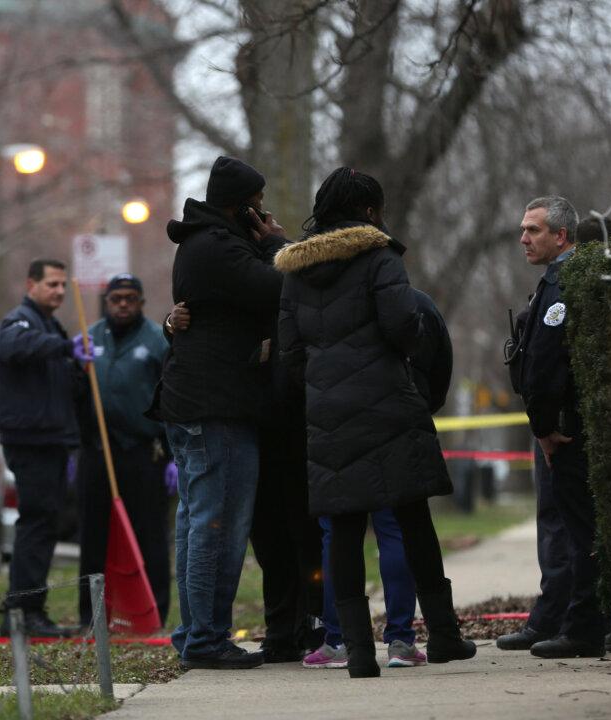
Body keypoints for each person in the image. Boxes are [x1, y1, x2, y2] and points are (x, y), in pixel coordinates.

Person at [275, 167, 475, 678]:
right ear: (368, 211)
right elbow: (402, 325)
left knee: (342, 532)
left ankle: (359, 652)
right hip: (388, 406)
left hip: (329, 419)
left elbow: (290, 354)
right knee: (413, 523)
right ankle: (444, 636)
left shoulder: (296, 273)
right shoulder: (381, 257)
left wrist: (324, 386)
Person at [158, 155, 287, 670]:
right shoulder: (218, 246)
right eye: (258, 206)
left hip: (200, 400)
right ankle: (207, 637)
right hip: (216, 406)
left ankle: (195, 631)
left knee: (196, 520)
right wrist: (275, 242)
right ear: (245, 208)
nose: (265, 213)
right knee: (218, 523)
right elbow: (278, 288)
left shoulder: (205, 242)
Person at [306, 288, 453, 671]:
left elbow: (292, 360)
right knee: (397, 529)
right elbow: (440, 364)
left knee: (339, 533)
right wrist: (420, 404)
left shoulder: (321, 302)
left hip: (337, 430)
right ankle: (401, 639)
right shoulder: (413, 302)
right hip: (396, 427)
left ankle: (341, 640)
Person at [501, 196, 606, 659]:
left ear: (561, 236)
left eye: (534, 230)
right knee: (571, 527)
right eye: (523, 229)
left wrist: (544, 427)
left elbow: (545, 364)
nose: (524, 238)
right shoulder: (556, 281)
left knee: (580, 531)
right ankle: (571, 619)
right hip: (564, 426)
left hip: (565, 431)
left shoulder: (565, 284)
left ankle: (583, 627)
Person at [0, 258, 91, 638]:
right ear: (31, 284)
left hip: (52, 439)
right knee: (36, 523)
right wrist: (66, 347)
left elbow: (65, 383)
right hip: (29, 440)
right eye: (52, 284)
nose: (60, 292)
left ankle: (29, 608)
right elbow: (15, 347)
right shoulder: (20, 321)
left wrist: (81, 369)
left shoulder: (51, 326)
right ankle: (22, 611)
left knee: (44, 524)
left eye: (64, 285)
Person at [76, 273, 172, 627]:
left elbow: (169, 400)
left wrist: (172, 456)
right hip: (97, 452)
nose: (122, 304)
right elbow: (76, 394)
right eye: (116, 298)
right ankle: (92, 616)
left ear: (141, 302)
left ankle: (154, 613)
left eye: (130, 298)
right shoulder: (89, 339)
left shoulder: (156, 341)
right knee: (93, 539)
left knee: (150, 536)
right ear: (107, 302)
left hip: (142, 454)